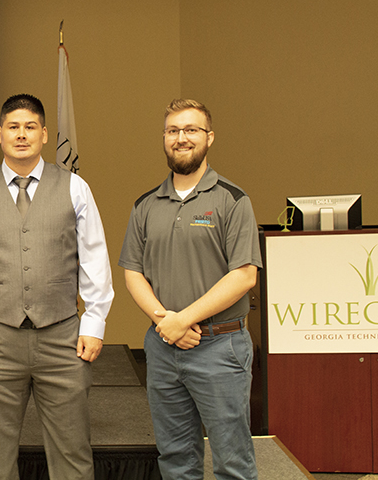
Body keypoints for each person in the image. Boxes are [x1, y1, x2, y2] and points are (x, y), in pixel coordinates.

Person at [0, 94, 114, 480]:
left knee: (72, 453)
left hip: (63, 338)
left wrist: (94, 323)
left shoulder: (75, 188)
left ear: (43, 135)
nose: (21, 135)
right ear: (0, 134)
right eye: (13, 127)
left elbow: (94, 258)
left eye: (30, 127)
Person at [119, 98, 261, 480]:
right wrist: (165, 323)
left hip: (220, 348)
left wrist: (183, 320)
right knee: (176, 458)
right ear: (164, 139)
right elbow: (133, 271)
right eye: (173, 131)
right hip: (163, 348)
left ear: (209, 138)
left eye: (191, 130)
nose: (181, 138)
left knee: (232, 462)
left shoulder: (232, 200)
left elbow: (244, 276)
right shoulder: (146, 205)